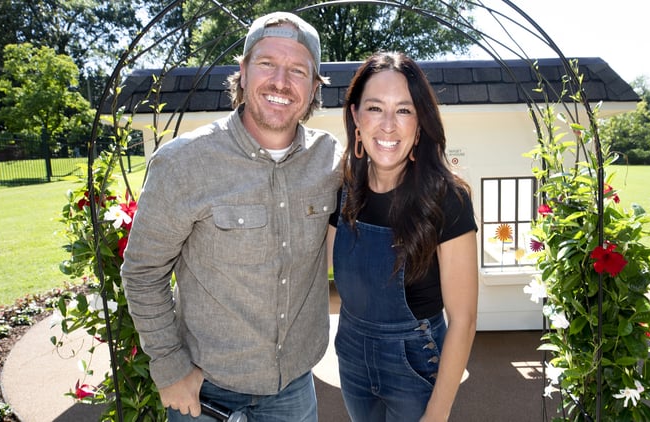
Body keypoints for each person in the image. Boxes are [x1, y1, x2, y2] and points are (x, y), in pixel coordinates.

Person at [121, 11, 342, 421]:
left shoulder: (330, 159)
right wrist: (169, 367)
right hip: (205, 392)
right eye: (267, 63)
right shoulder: (182, 164)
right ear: (242, 72)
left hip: (294, 390)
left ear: (314, 86)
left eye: (298, 70)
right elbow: (143, 271)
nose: (281, 82)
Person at [329, 51, 479, 422]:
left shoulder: (447, 199)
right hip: (351, 358)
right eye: (375, 108)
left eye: (403, 110)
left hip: (415, 364)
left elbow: (463, 319)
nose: (388, 125)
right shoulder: (342, 192)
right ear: (356, 117)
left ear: (420, 121)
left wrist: (437, 413)